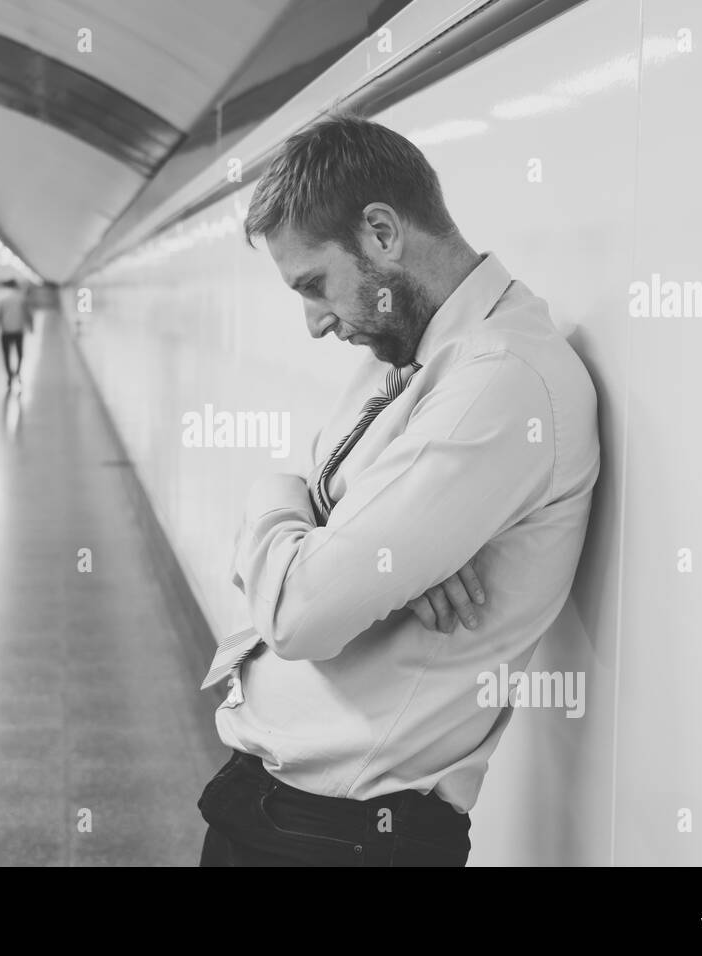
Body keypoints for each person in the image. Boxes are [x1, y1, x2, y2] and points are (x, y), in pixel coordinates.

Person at [196, 114, 600, 866]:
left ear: (381, 232)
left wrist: (277, 496)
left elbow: (301, 611)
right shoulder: (409, 357)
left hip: (348, 840)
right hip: (283, 814)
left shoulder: (502, 380)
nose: (315, 323)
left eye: (315, 285)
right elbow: (322, 519)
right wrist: (367, 549)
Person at [0, 279, 35, 388]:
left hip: (6, 331)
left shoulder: (2, 299)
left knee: (6, 354)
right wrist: (31, 327)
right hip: (18, 330)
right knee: (20, 353)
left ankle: (9, 374)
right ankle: (18, 371)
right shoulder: (21, 298)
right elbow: (28, 313)